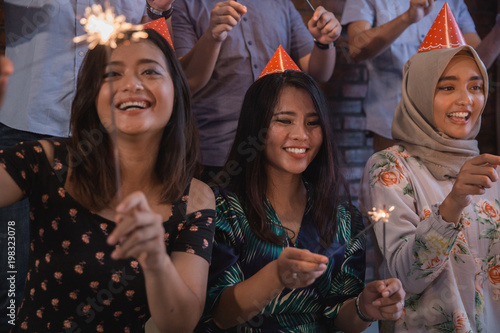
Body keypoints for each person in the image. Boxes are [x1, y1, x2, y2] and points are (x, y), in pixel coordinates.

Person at [0, 29, 216, 332]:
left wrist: (156, 260)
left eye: (150, 71)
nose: (131, 84)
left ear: (177, 90)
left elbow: (180, 324)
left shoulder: (195, 198)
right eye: (112, 74)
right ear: (91, 95)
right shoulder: (47, 161)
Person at [197, 70, 405, 332]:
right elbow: (219, 314)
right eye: (284, 120)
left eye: (312, 122)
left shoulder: (343, 217)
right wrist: (275, 277)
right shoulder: (222, 208)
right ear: (255, 127)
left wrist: (364, 307)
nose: (301, 135)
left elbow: (340, 314)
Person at [359, 42, 500, 331]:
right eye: (447, 88)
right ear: (419, 93)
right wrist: (454, 202)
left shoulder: (490, 171)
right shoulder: (389, 167)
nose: (466, 100)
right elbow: (407, 276)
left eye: (475, 87)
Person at [171, 0, 341, 181]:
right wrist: (212, 37)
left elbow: (319, 72)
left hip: (274, 149)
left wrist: (324, 43)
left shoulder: (281, 4)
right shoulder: (186, 4)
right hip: (217, 148)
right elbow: (186, 82)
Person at [341, 0, 500, 151]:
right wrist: (407, 18)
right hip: (393, 122)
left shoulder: (454, 2)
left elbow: (476, 63)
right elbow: (356, 49)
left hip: (449, 121)